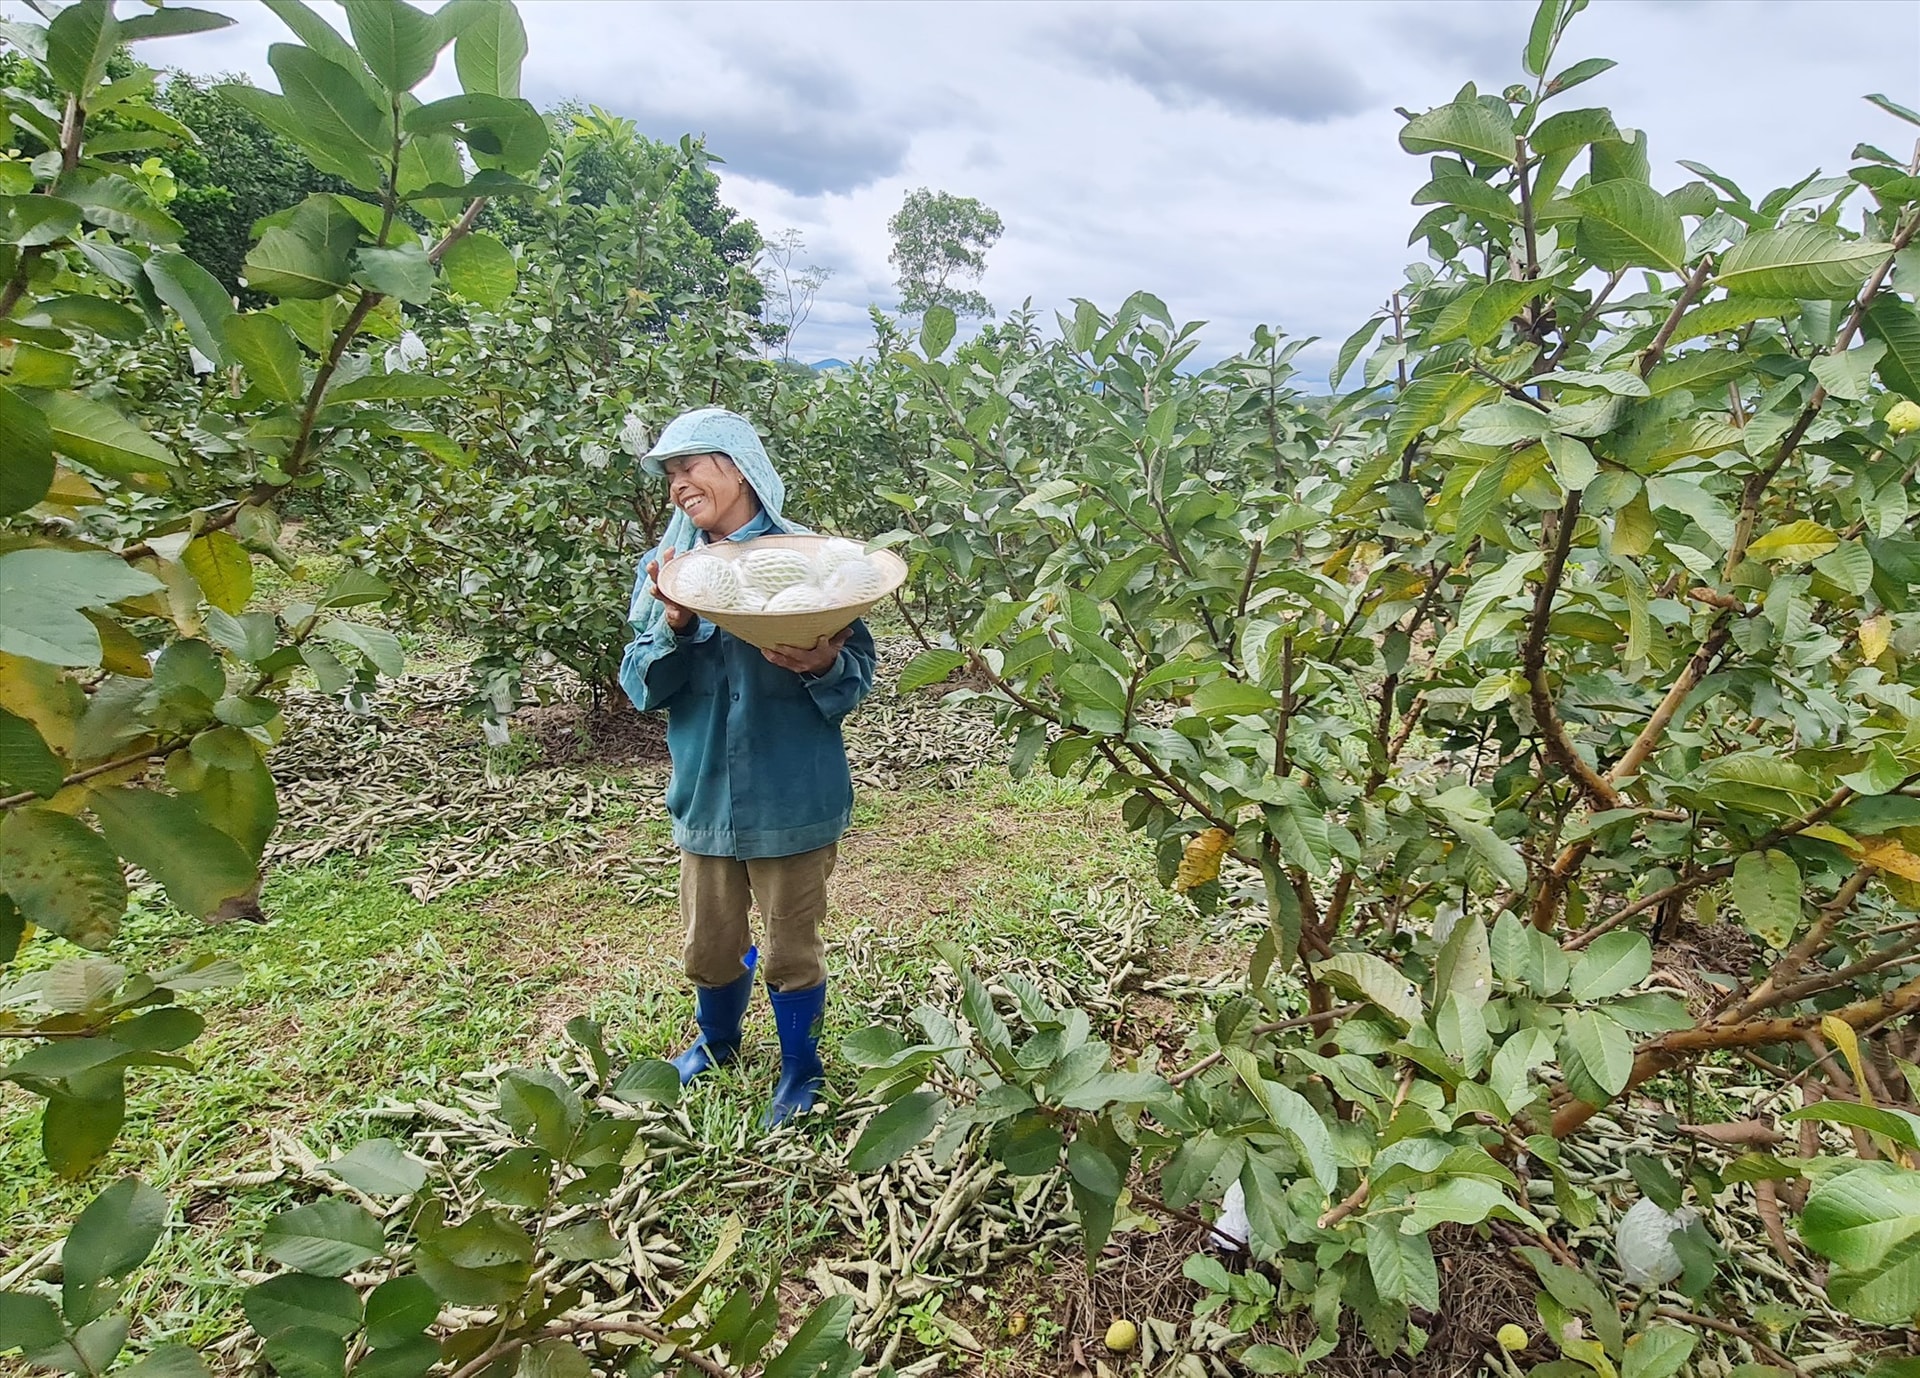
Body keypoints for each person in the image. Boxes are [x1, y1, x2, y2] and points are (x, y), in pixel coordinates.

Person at [619, 407, 876, 1129]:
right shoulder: (669, 571)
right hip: (705, 793)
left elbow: (856, 680)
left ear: (737, 467)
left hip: (791, 793)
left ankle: (801, 1068)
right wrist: (673, 622)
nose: (678, 485)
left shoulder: (812, 563)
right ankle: (718, 1044)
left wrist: (823, 663)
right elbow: (641, 686)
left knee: (792, 946)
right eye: (668, 473)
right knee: (708, 942)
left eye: (690, 466)